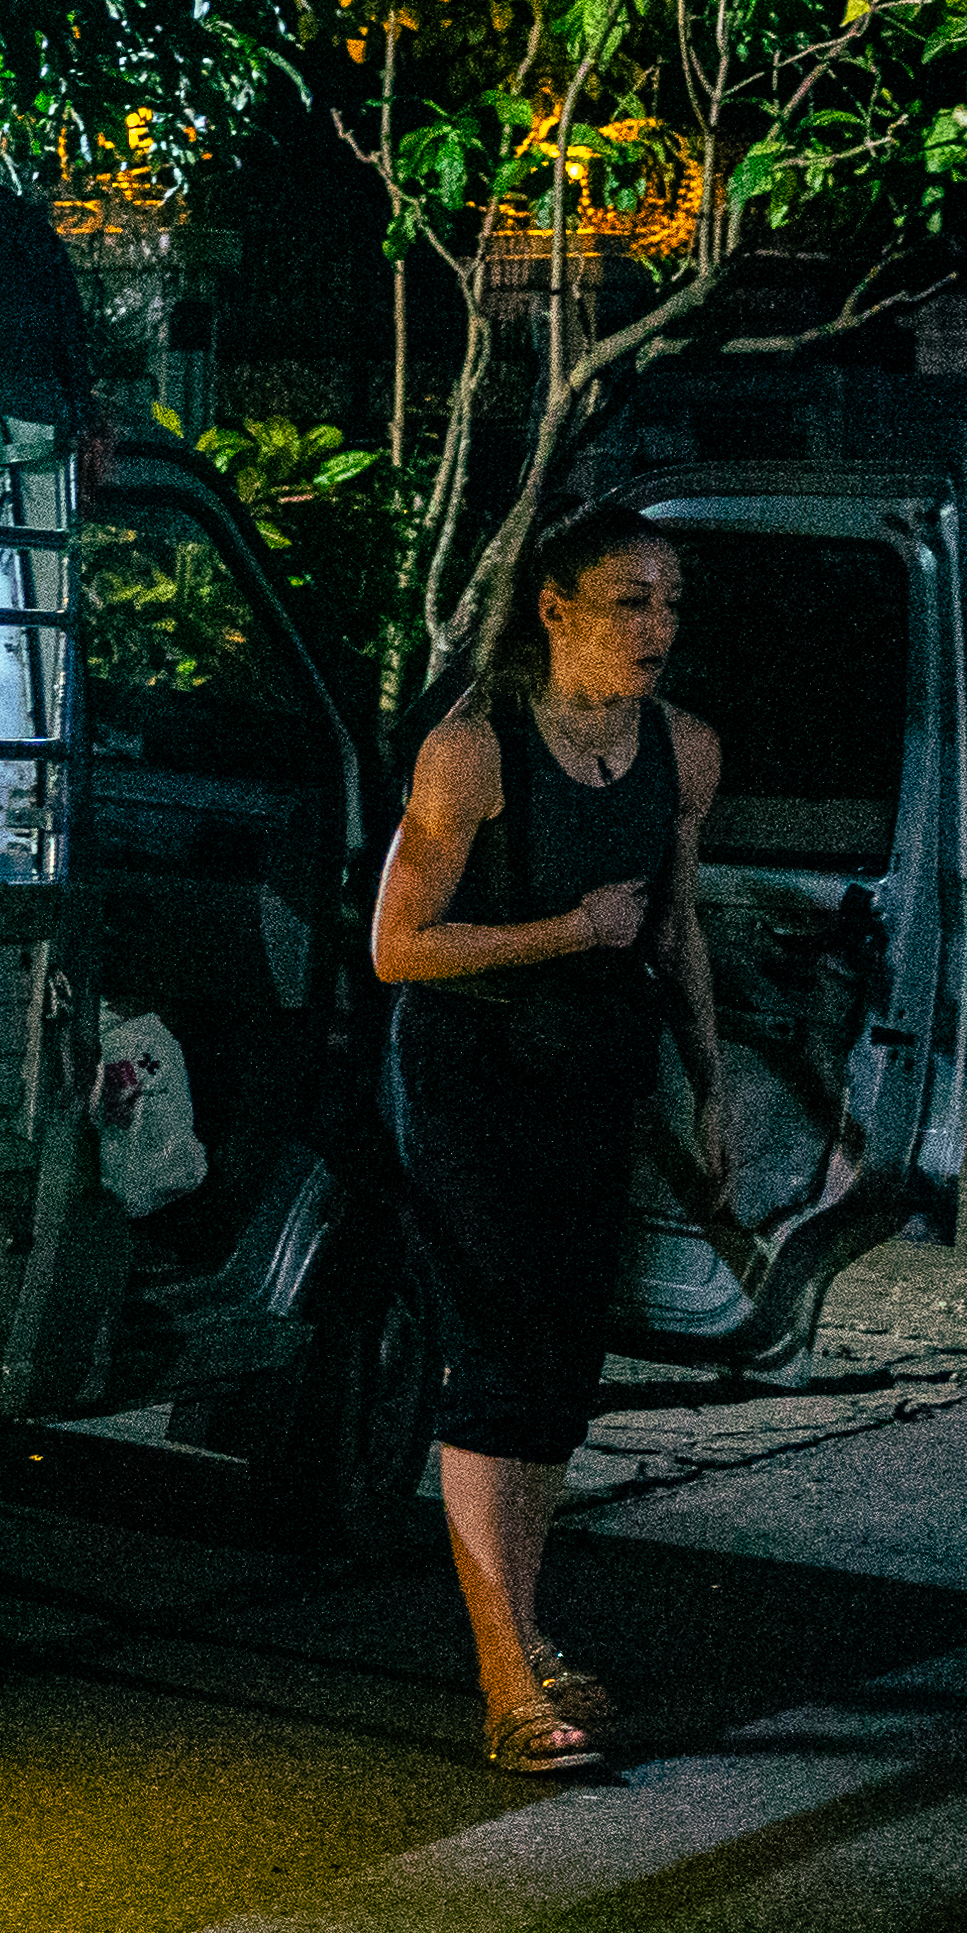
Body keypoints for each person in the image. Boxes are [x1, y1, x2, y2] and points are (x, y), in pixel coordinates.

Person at [369, 507, 725, 1776]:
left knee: (560, 1368)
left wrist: (708, 1085)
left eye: (668, 601)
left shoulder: (682, 748)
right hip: (470, 1078)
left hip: (592, 1073)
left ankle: (526, 1630)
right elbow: (396, 947)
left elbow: (674, 924)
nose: (655, 626)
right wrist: (567, 930)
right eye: (628, 600)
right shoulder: (473, 751)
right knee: (494, 1358)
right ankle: (504, 1681)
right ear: (555, 607)